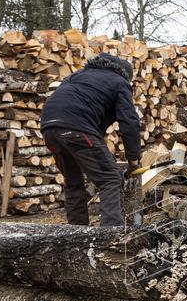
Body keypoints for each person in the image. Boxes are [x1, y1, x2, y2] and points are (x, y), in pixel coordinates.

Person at [40, 52, 141, 227]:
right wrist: (133, 159)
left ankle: (77, 234)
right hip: (77, 127)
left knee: (73, 182)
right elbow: (129, 122)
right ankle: (110, 236)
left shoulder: (78, 75)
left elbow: (87, 112)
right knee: (110, 178)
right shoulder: (120, 83)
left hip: (49, 126)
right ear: (126, 75)